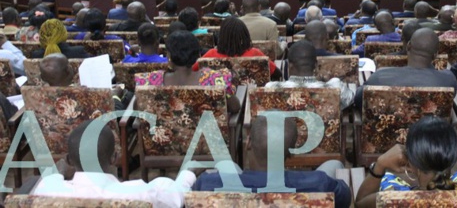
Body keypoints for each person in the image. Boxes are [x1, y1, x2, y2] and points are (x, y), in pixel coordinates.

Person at [193, 114, 352, 208]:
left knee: (230, 167)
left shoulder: (208, 184)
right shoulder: (321, 184)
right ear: (291, 152)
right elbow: (345, 199)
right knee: (335, 165)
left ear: (248, 142)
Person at [33, 120, 195, 207]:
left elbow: (50, 179)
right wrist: (189, 172)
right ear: (114, 157)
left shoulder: (47, 191)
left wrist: (56, 172)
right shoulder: (142, 194)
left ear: (69, 160)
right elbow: (177, 197)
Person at [135, 30, 239, 112]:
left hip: (161, 139)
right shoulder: (215, 79)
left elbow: (137, 109)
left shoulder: (149, 82)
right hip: (208, 138)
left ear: (169, 56)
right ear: (198, 55)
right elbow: (235, 108)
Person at [354, 28, 457, 108]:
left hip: (388, 134)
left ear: (408, 46)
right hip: (431, 135)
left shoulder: (380, 76)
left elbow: (358, 100)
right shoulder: (448, 80)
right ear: (435, 55)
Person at [267, 40, 353, 108]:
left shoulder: (271, 89)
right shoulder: (336, 88)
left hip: (285, 130)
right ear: (316, 65)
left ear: (289, 66)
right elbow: (350, 99)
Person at [193, 16, 278, 77]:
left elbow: (194, 70)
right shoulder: (254, 53)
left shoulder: (211, 54)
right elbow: (277, 73)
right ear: (244, 35)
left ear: (221, 36)